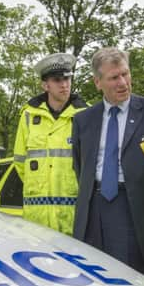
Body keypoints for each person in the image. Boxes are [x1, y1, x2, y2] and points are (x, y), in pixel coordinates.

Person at [71, 47, 144, 274]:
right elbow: (80, 167)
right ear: (97, 82)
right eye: (113, 77)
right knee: (93, 281)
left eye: (125, 74)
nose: (123, 83)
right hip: (92, 210)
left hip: (133, 210)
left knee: (130, 282)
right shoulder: (83, 120)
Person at [13, 52, 88, 235]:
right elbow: (20, 161)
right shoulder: (29, 115)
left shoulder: (86, 115)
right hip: (37, 217)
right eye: (57, 80)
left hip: (72, 216)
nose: (64, 85)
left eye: (67, 79)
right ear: (45, 85)